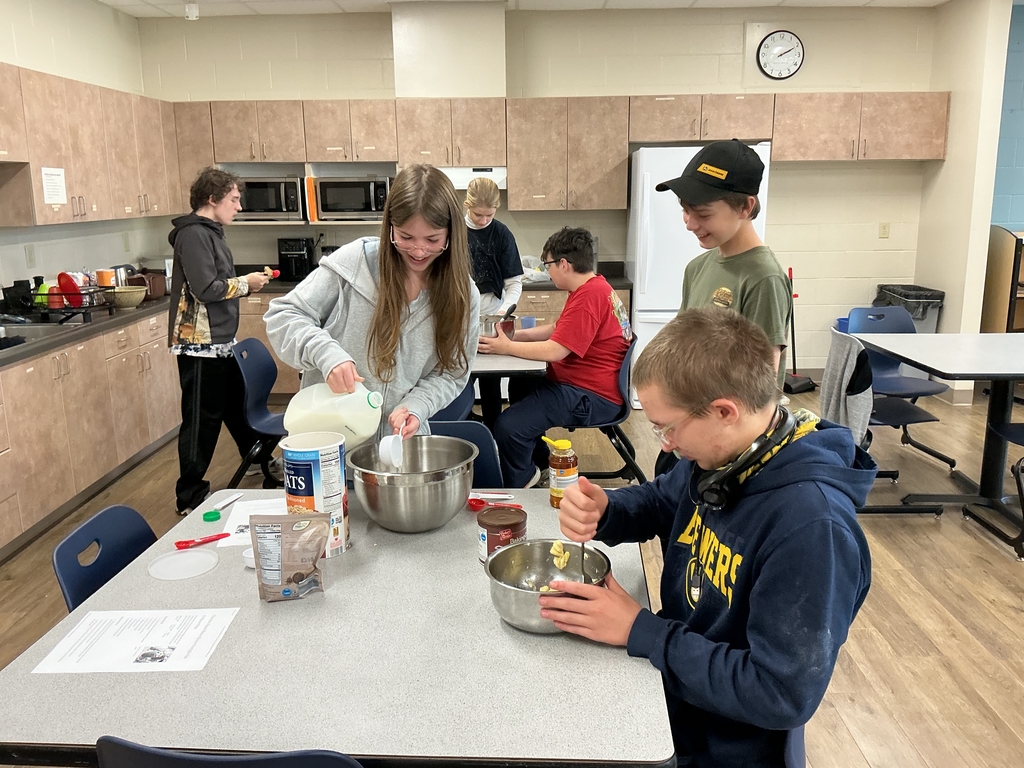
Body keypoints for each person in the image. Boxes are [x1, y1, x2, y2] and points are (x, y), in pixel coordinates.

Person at [540, 307, 873, 768]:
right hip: (674, 686)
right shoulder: (723, 457)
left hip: (722, 742)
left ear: (724, 411)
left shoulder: (812, 530)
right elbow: (663, 500)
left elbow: (780, 694)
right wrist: (609, 510)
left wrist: (642, 630)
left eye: (667, 427)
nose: (664, 444)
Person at [265, 164, 479, 441]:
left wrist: (417, 406)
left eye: (432, 239)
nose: (418, 250)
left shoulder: (463, 295)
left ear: (451, 234)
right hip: (328, 440)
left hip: (398, 443)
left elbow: (451, 374)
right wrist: (327, 355)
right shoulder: (354, 265)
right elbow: (284, 315)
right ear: (390, 228)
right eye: (405, 237)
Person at [654, 139, 792, 476]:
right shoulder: (698, 268)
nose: (689, 223)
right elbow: (681, 347)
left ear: (745, 206)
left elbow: (762, 380)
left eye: (702, 214)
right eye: (685, 210)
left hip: (725, 446)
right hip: (687, 427)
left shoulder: (764, 277)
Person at [479, 227, 630, 488]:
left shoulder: (589, 297)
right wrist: (513, 336)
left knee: (508, 427)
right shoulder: (592, 287)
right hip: (588, 386)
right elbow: (556, 330)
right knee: (521, 384)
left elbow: (556, 349)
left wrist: (505, 348)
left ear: (563, 264)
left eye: (547, 264)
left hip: (591, 396)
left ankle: (523, 482)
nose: (547, 270)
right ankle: (539, 464)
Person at [168, 167, 272, 516]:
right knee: (201, 417)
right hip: (200, 343)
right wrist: (247, 284)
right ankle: (190, 494)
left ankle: (258, 457)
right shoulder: (194, 235)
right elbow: (206, 289)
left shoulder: (210, 232)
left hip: (218, 339)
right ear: (212, 199)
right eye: (234, 199)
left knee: (233, 403)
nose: (238, 207)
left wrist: (244, 282)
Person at [464, 177, 524, 428]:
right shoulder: (452, 231)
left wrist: (501, 314)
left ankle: (493, 437)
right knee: (459, 385)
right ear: (467, 205)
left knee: (491, 385)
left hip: (491, 321)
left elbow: (514, 284)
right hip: (459, 321)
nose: (484, 220)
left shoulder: (501, 234)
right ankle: (464, 432)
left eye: (489, 215)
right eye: (479, 214)